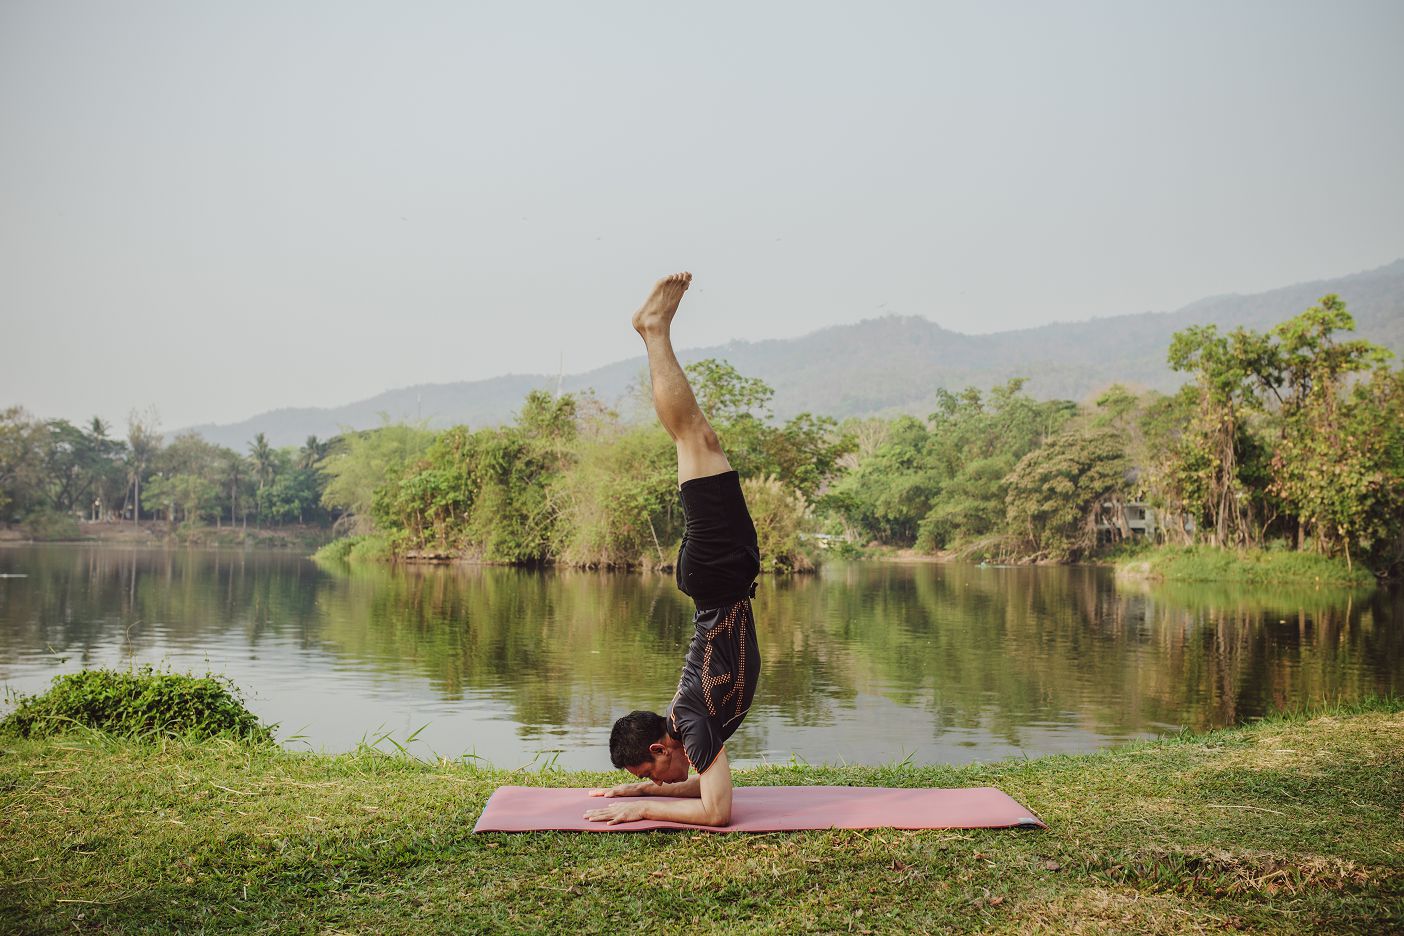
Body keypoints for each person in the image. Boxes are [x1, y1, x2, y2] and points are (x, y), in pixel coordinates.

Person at [583, 272, 761, 827]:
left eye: (648, 775)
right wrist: (639, 801)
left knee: (695, 438)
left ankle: (654, 331)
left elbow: (717, 813)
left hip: (718, 577)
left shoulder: (693, 721)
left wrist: (644, 810)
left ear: (661, 749)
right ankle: (655, 331)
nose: (658, 783)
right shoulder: (688, 723)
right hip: (718, 579)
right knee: (698, 439)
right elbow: (708, 797)